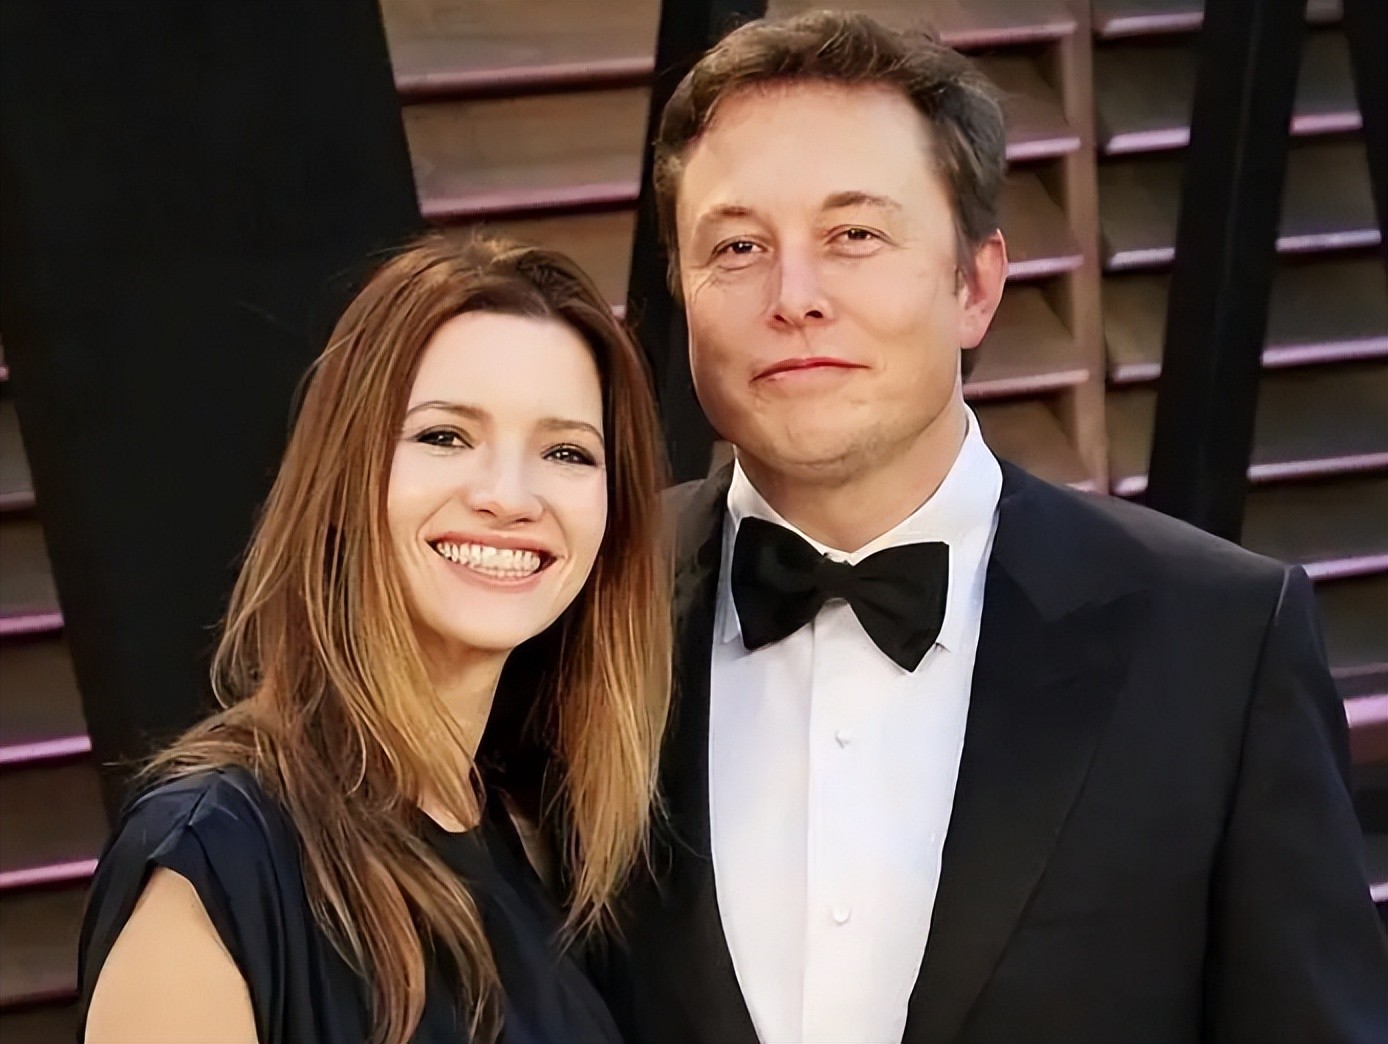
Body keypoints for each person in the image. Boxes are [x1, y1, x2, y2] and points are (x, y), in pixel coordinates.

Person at [598, 10, 1388, 1043]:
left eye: (854, 236)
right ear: (681, 294)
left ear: (974, 284)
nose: (794, 298)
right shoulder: (582, 606)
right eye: (737, 247)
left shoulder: (1220, 641)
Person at [77, 234, 671, 1043]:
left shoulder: (544, 845)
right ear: (347, 472)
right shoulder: (216, 858)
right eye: (445, 436)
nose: (508, 497)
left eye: (565, 451)